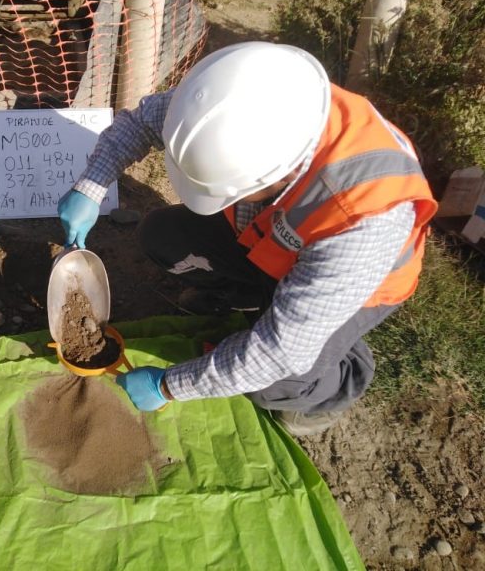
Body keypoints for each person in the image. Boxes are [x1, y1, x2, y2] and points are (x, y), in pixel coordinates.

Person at [57, 42, 437, 436]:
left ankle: (335, 383)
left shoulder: (363, 220)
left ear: (280, 178)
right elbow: (141, 123)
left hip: (354, 286)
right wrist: (91, 185)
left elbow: (279, 353)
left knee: (276, 382)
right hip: (273, 239)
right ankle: (251, 299)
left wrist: (169, 386)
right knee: (163, 237)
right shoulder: (246, 94)